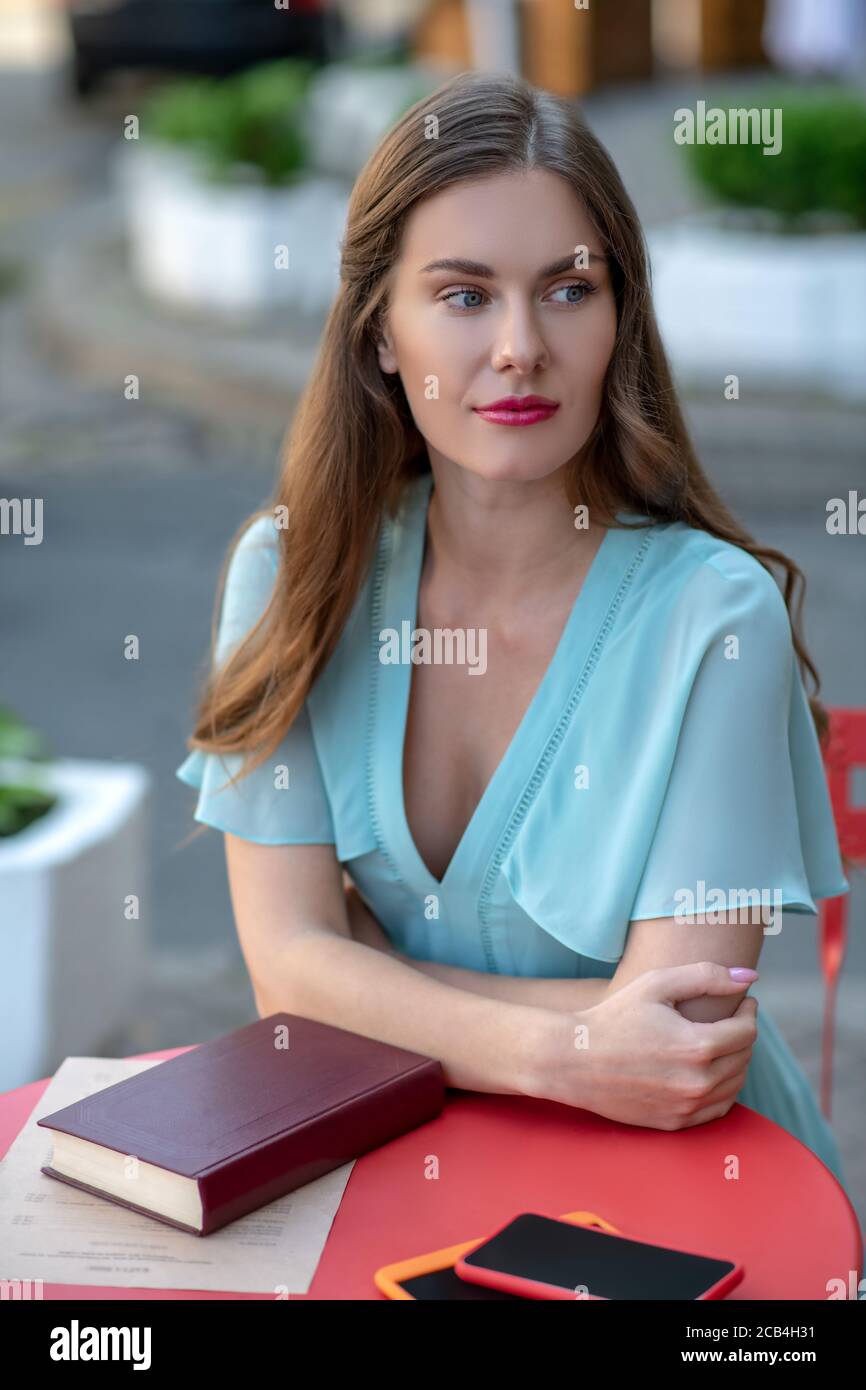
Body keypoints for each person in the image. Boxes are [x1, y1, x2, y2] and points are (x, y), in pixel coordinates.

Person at [176, 71, 850, 1189]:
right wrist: (572, 1043)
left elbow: (677, 1046)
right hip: (398, 1184)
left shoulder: (713, 616)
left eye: (567, 290)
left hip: (694, 1195)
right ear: (379, 333)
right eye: (461, 294)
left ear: (620, 319)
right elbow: (286, 982)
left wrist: (370, 979)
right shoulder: (293, 574)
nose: (519, 346)